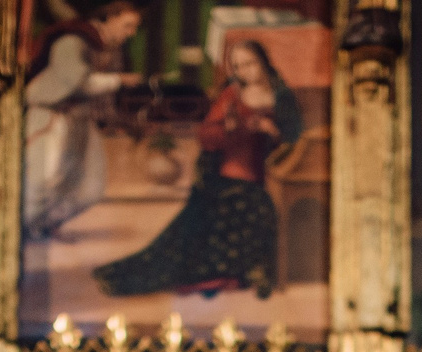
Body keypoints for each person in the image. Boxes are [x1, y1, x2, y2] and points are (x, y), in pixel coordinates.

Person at [93, 36, 300, 299]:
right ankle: (213, 275)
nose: (244, 71)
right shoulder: (232, 94)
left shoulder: (282, 96)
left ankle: (244, 273)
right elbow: (206, 135)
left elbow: (294, 136)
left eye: (250, 64)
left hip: (268, 176)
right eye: (237, 67)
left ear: (263, 62)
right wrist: (228, 129)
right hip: (226, 176)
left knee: (259, 209)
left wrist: (273, 131)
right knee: (195, 231)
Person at [22, 0, 143, 241]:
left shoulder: (110, 49)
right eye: (128, 26)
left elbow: (102, 98)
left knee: (91, 187)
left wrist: (120, 120)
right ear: (110, 17)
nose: (132, 33)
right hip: (51, 117)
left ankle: (45, 224)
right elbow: (75, 83)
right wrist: (119, 81)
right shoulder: (73, 40)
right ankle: (26, 231)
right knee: (43, 179)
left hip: (80, 118)